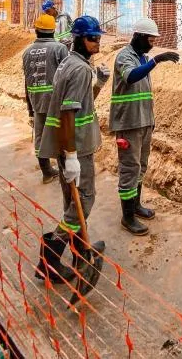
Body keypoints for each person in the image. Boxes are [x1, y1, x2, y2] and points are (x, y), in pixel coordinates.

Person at [36, 15, 109, 290]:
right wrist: (71, 156)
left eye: (99, 37)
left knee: (72, 202)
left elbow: (80, 104)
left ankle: (80, 252)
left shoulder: (69, 62)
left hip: (68, 145)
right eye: (92, 38)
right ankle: (50, 254)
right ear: (79, 38)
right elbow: (68, 114)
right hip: (76, 146)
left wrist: (99, 84)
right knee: (84, 201)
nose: (97, 42)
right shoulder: (79, 69)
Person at [110, 17, 178, 236]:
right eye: (149, 39)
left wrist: (151, 121)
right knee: (129, 169)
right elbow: (131, 77)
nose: (152, 43)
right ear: (138, 37)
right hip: (128, 123)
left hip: (144, 122)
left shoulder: (143, 58)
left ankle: (136, 205)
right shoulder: (124, 57)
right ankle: (127, 216)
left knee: (140, 166)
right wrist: (155, 61)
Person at [22, 13, 67, 184]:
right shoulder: (59, 49)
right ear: (53, 30)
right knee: (61, 135)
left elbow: (26, 81)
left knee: (40, 135)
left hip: (36, 100)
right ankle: (65, 172)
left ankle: (47, 171)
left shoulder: (27, 52)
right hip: (56, 100)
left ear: (36, 30)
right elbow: (67, 75)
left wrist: (30, 109)